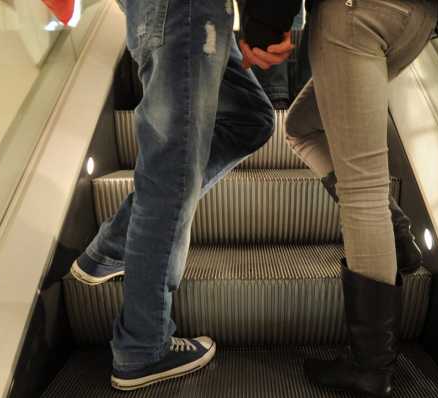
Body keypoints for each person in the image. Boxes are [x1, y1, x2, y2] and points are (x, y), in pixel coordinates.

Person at [240, 0, 438, 396]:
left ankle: (370, 367)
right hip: (416, 19)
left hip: (355, 12)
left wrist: (263, 25)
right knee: (300, 126)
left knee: (361, 189)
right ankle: (398, 237)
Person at [69, 0, 295, 391]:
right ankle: (142, 345)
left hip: (179, 13)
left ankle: (115, 244)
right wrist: (266, 19)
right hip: (185, 11)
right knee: (169, 169)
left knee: (251, 119)